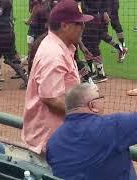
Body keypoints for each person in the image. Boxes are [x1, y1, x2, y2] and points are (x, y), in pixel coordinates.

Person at [46, 82, 137, 180]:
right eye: (100, 97)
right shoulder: (110, 126)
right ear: (93, 105)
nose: (103, 100)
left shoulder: (52, 142)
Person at [22, 0, 93, 166]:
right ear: (65, 25)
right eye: (79, 23)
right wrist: (85, 113)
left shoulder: (61, 47)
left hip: (55, 140)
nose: (83, 27)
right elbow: (51, 98)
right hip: (48, 145)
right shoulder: (53, 54)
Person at [80, 0, 109, 83]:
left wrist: (104, 12)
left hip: (92, 19)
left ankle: (101, 74)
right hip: (89, 19)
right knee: (86, 45)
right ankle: (91, 71)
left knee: (93, 46)